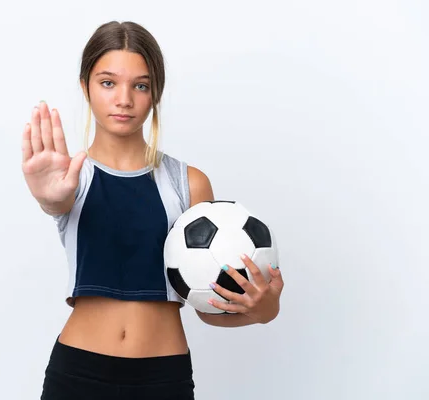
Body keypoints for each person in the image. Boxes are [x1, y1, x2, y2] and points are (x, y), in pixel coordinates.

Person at [21, 20, 284, 400]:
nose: (123, 99)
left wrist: (264, 310)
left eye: (140, 85)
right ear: (86, 87)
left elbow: (208, 305)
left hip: (163, 378)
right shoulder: (69, 178)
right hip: (77, 374)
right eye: (108, 82)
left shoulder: (188, 183)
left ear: (155, 92)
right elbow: (56, 201)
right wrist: (47, 197)